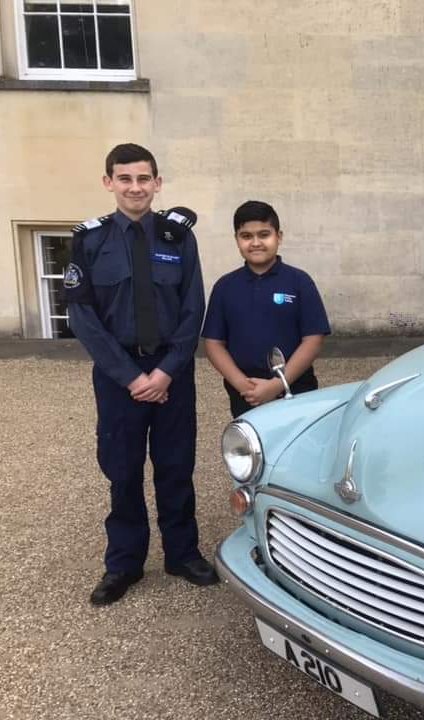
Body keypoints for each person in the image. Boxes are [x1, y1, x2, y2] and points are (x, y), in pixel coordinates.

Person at [63, 143, 217, 606]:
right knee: (123, 471)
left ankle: (182, 554)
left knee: (175, 466)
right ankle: (124, 563)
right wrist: (132, 378)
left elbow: (194, 309)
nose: (136, 187)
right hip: (118, 376)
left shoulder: (178, 237)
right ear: (109, 182)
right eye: (125, 179)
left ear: (157, 183)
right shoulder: (89, 240)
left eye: (144, 178)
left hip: (172, 372)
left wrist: (167, 371)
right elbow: (82, 317)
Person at [202, 200, 331, 418]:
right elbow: (214, 343)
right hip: (245, 393)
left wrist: (277, 385)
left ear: (278, 237)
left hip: (296, 387)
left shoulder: (299, 281)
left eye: (264, 234)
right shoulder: (225, 286)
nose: (256, 243)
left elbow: (313, 339)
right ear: (236, 240)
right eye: (246, 236)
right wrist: (243, 385)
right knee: (253, 449)